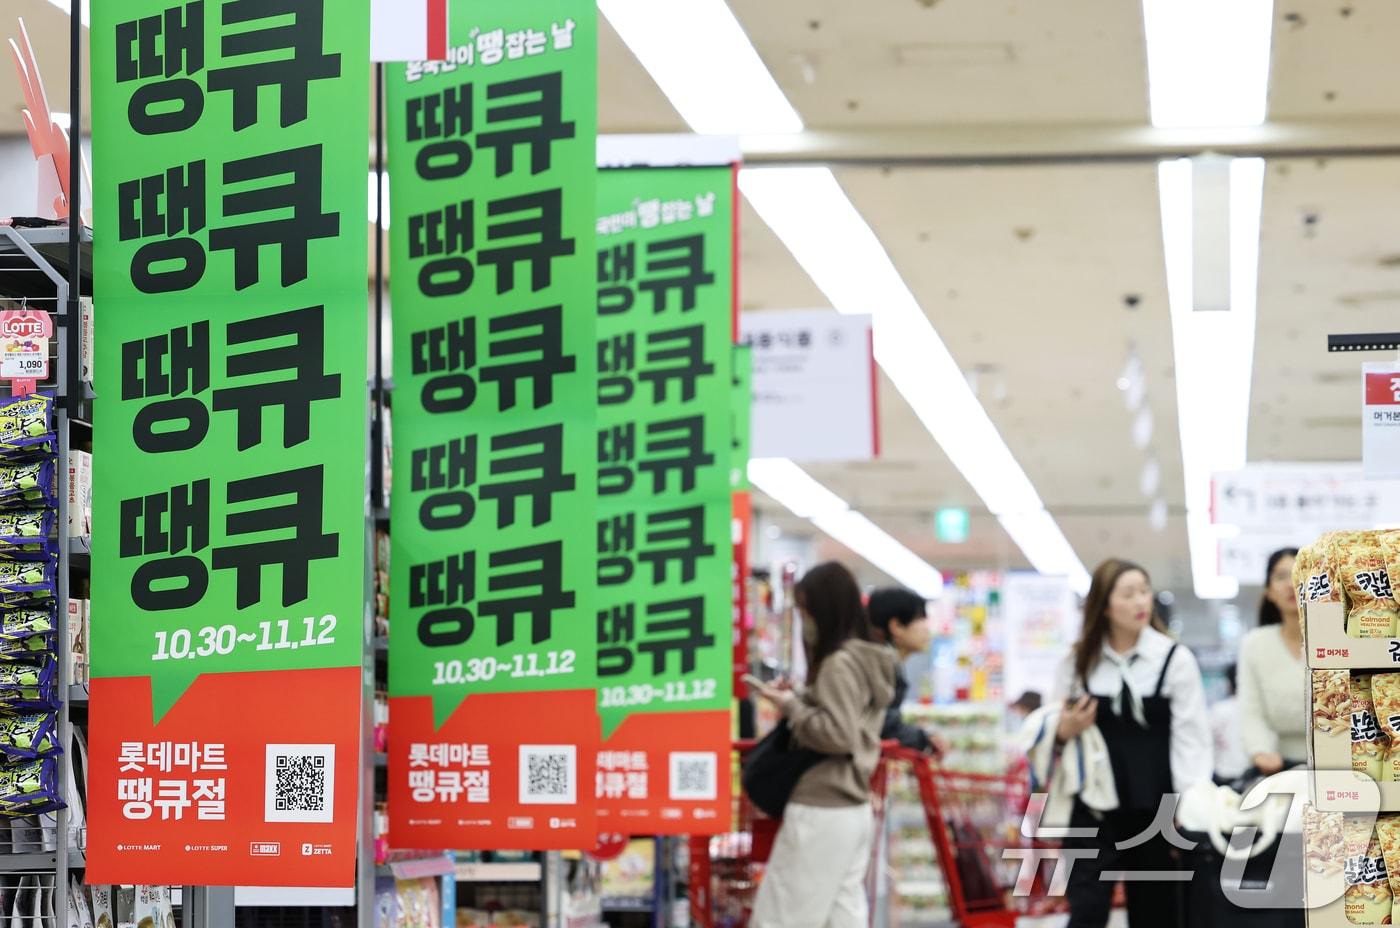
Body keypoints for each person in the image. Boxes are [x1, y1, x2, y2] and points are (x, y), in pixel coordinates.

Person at [1050, 558, 1213, 928]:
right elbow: (1048, 729)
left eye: (1144, 590)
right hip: (1090, 806)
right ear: (1104, 605)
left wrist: (1189, 806)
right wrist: (1065, 728)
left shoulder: (1174, 659)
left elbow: (1193, 739)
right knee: (1087, 910)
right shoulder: (1076, 663)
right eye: (1128, 594)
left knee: (1155, 912)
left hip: (1156, 808)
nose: (1141, 601)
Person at [749, 562, 896, 928]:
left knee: (781, 918)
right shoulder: (866, 660)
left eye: (805, 609)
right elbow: (846, 719)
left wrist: (791, 706)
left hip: (822, 805)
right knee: (841, 916)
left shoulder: (838, 663)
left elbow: (836, 735)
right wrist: (802, 697)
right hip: (853, 808)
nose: (803, 619)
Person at [1237, 547, 1307, 775]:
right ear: (1268, 591)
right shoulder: (1255, 644)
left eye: (1299, 573)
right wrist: (1260, 751)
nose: (1290, 584)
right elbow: (1251, 711)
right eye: (1280, 576)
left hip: (1342, 765)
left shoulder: (1340, 639)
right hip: (1279, 767)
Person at [867, 587, 938, 753]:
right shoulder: (880, 665)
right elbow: (883, 724)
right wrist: (922, 739)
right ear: (896, 626)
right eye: (921, 619)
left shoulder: (888, 663)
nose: (927, 629)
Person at [1209, 664, 1249, 783]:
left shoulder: (1219, 709)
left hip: (1224, 776)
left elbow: (1207, 741)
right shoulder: (1258, 710)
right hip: (1254, 776)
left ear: (1229, 683)